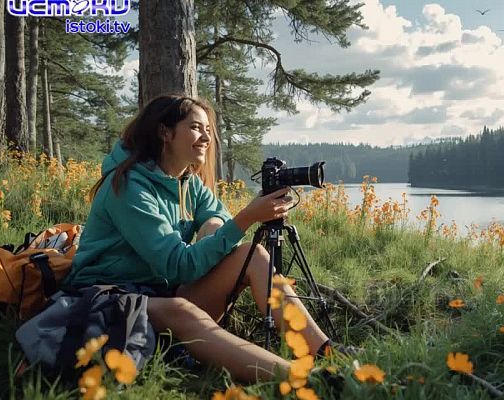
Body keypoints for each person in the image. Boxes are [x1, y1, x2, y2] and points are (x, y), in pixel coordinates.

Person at [63, 93, 331, 382]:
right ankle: (305, 379)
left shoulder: (186, 182)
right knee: (180, 310)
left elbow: (220, 217)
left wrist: (214, 226)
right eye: (195, 128)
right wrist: (247, 218)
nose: (205, 137)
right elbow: (177, 265)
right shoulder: (128, 187)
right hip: (108, 297)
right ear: (165, 132)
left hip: (159, 291)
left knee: (251, 256)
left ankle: (326, 353)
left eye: (207, 130)